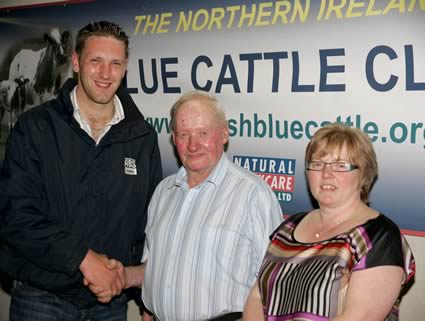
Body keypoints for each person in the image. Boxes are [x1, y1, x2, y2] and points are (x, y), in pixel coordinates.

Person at [0, 21, 162, 320]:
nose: (105, 73)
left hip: (109, 303)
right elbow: (15, 215)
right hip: (42, 296)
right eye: (96, 61)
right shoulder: (35, 128)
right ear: (76, 62)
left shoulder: (142, 137)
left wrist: (146, 296)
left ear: (125, 67)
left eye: (115, 63)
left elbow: (149, 223)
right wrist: (83, 259)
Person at [118, 91, 282, 321]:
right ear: (174, 139)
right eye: (184, 134)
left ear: (224, 134)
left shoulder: (253, 195)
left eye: (203, 133)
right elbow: (155, 269)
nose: (193, 144)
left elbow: (276, 283)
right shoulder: (163, 192)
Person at [243, 123, 415, 321]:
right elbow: (257, 297)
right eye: (317, 164)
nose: (326, 173)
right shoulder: (288, 228)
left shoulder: (379, 236)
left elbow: (360, 316)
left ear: (363, 175)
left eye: (341, 165)